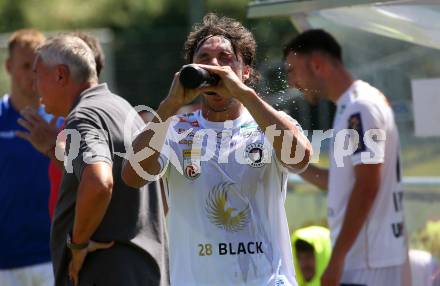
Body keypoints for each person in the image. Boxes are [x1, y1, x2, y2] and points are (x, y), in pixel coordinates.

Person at [122, 13, 312, 286]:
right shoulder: (174, 128)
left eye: (225, 58)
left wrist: (243, 93)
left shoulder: (268, 123)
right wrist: (168, 106)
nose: (215, 66)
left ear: (245, 70)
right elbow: (132, 176)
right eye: (205, 58)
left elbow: (300, 158)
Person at [28, 35, 168, 286]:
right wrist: (52, 149)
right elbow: (162, 201)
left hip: (106, 274)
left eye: (37, 74)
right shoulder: (123, 109)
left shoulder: (83, 116)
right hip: (144, 272)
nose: (34, 86)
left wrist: (78, 243)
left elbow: (98, 181)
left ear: (61, 75)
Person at [283, 29, 407, 286]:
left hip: (368, 265)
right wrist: (297, 165)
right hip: (370, 261)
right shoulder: (352, 106)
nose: (292, 82)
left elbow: (367, 186)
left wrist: (336, 258)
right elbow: (344, 183)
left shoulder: (359, 108)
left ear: (317, 65)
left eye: (293, 70)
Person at [0, 29, 54, 286]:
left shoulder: (63, 119)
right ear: (8, 66)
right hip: (5, 260)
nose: (33, 75)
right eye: (24, 66)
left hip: (53, 255)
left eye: (37, 67)